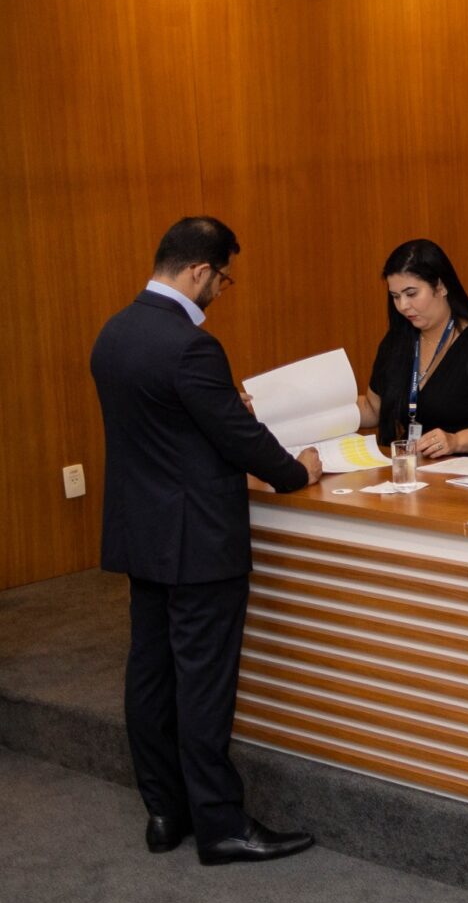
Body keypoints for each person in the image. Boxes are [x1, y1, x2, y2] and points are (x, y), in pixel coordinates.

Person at [90, 216, 322, 865]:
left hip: (143, 533)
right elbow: (235, 440)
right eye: (223, 278)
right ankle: (220, 824)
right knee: (202, 684)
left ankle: (165, 811)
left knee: (151, 672)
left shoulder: (114, 333)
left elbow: (165, 430)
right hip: (198, 539)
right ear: (199, 271)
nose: (221, 289)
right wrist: (295, 470)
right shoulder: (192, 345)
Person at [357, 239, 468, 458]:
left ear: (441, 287)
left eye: (411, 294)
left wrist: (457, 441)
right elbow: (373, 409)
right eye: (395, 297)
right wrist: (322, 411)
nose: (403, 306)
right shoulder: (397, 341)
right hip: (420, 470)